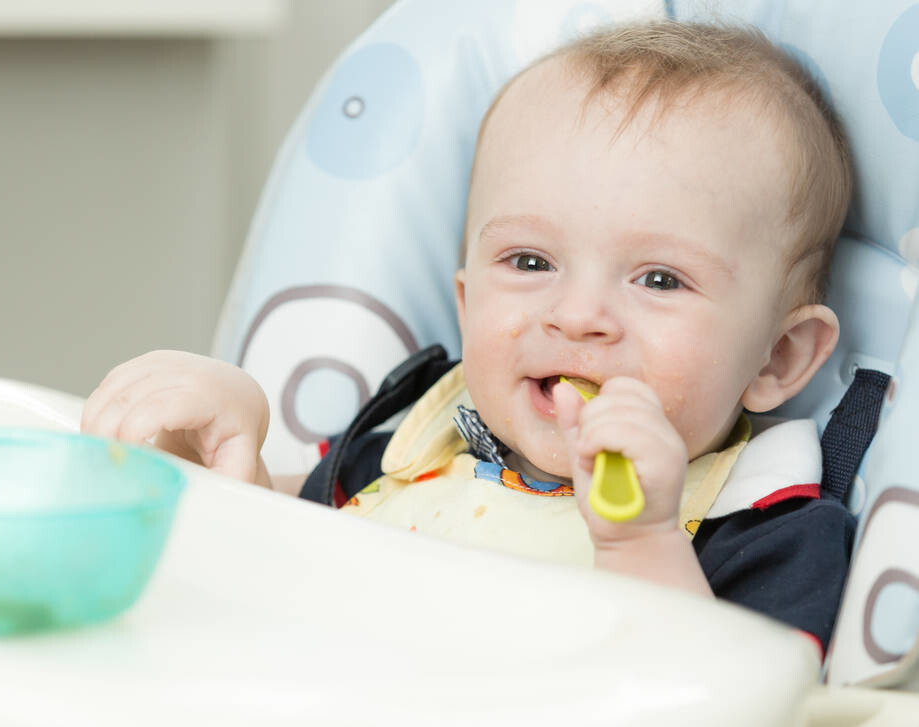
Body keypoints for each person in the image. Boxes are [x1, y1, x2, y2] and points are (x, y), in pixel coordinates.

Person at [81, 21, 854, 652]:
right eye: (528, 261)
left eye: (658, 279)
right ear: (465, 301)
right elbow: (279, 566)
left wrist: (642, 542)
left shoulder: (768, 528)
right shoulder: (406, 452)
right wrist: (225, 459)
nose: (575, 314)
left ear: (778, 356)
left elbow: (737, 699)